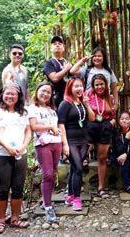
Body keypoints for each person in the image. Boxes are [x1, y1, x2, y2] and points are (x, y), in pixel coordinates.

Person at [0, 82, 31, 233]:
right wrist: (8, 148)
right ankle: (0, 220)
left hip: (20, 154)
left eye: (13, 94)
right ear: (2, 94)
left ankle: (15, 218)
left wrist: (24, 146)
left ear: (18, 96)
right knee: (2, 189)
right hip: (2, 155)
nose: (10, 96)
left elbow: (28, 131)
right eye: (7, 93)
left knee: (18, 188)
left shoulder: (23, 112)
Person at [28, 82, 67, 224]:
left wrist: (62, 143)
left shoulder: (52, 109)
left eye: (48, 92)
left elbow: (57, 128)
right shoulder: (32, 108)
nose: (45, 94)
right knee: (47, 174)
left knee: (53, 172)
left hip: (55, 143)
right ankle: (48, 206)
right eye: (43, 91)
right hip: (42, 144)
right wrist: (50, 126)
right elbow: (33, 127)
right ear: (37, 91)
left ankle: (47, 201)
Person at [57, 78, 95, 211]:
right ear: (70, 88)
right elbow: (61, 125)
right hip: (71, 141)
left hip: (83, 140)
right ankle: (77, 200)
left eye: (81, 86)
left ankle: (70, 195)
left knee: (74, 168)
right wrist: (65, 145)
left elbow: (92, 118)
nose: (79, 89)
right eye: (76, 86)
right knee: (79, 168)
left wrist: (87, 105)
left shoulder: (82, 102)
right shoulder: (65, 104)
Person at [85, 74, 116, 198]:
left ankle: (101, 188)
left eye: (101, 84)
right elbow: (91, 116)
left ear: (106, 84)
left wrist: (112, 121)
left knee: (102, 158)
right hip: (91, 126)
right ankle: (72, 188)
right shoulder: (88, 95)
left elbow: (112, 113)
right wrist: (87, 105)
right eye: (97, 84)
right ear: (93, 86)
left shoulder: (109, 97)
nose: (99, 87)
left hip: (105, 127)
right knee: (80, 154)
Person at [70, 46, 119, 112]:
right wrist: (82, 61)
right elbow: (72, 71)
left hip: (105, 103)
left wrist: (116, 103)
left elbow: (114, 88)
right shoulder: (87, 69)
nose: (97, 58)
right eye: (95, 56)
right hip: (89, 103)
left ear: (104, 58)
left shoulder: (109, 71)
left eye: (99, 56)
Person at [43, 36, 72, 105]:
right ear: (51, 49)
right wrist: (65, 69)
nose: (57, 45)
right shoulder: (49, 63)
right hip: (54, 99)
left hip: (68, 98)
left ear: (63, 48)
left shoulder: (68, 63)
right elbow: (54, 78)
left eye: (60, 43)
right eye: (54, 44)